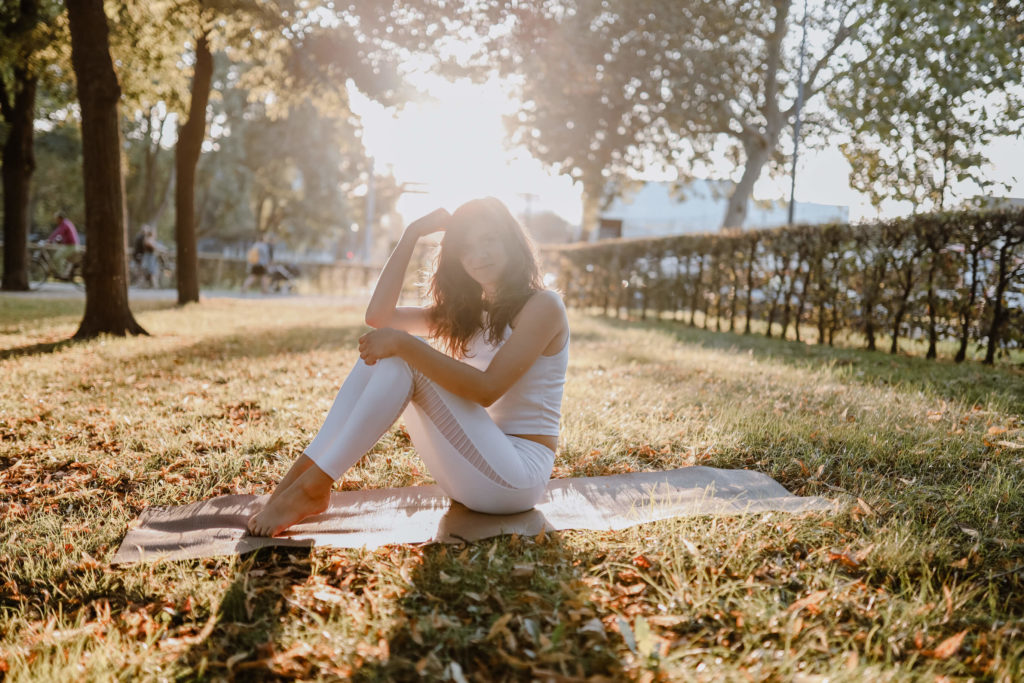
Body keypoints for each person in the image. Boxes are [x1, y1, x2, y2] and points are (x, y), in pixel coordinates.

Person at [248, 197, 570, 536]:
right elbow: (379, 317)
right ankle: (298, 482)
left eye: (490, 239)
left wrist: (405, 344)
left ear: (511, 241)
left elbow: (487, 390)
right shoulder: (470, 312)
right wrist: (411, 235)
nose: (480, 255)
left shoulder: (543, 306)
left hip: (516, 479)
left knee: (403, 354)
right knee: (390, 355)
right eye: (467, 247)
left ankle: (315, 485)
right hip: (472, 469)